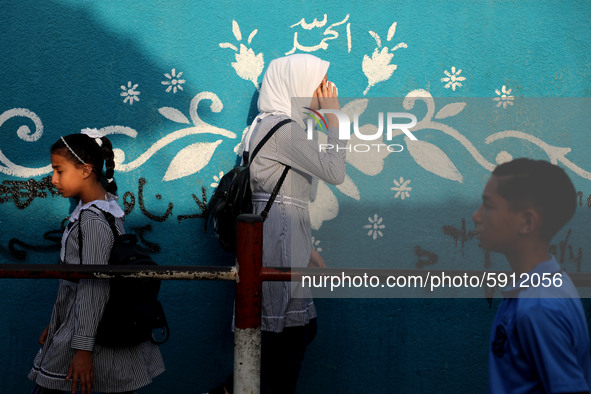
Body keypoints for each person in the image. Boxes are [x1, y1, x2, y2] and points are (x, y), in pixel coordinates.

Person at [29, 131, 164, 394]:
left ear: (85, 170)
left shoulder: (92, 221)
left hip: (92, 339)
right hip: (82, 327)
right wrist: (58, 323)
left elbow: (94, 288)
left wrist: (82, 350)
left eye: (59, 170)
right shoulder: (107, 210)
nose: (53, 179)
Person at [245, 53, 346, 393]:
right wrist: (334, 117)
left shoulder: (270, 125)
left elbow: (284, 192)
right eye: (319, 81)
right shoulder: (282, 129)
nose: (326, 89)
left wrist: (307, 246)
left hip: (283, 237)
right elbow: (334, 172)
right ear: (296, 84)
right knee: (283, 340)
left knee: (293, 335)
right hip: (278, 240)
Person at [472, 158, 591, 393]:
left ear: (526, 222)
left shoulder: (538, 308)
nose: (476, 216)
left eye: (488, 205)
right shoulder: (547, 286)